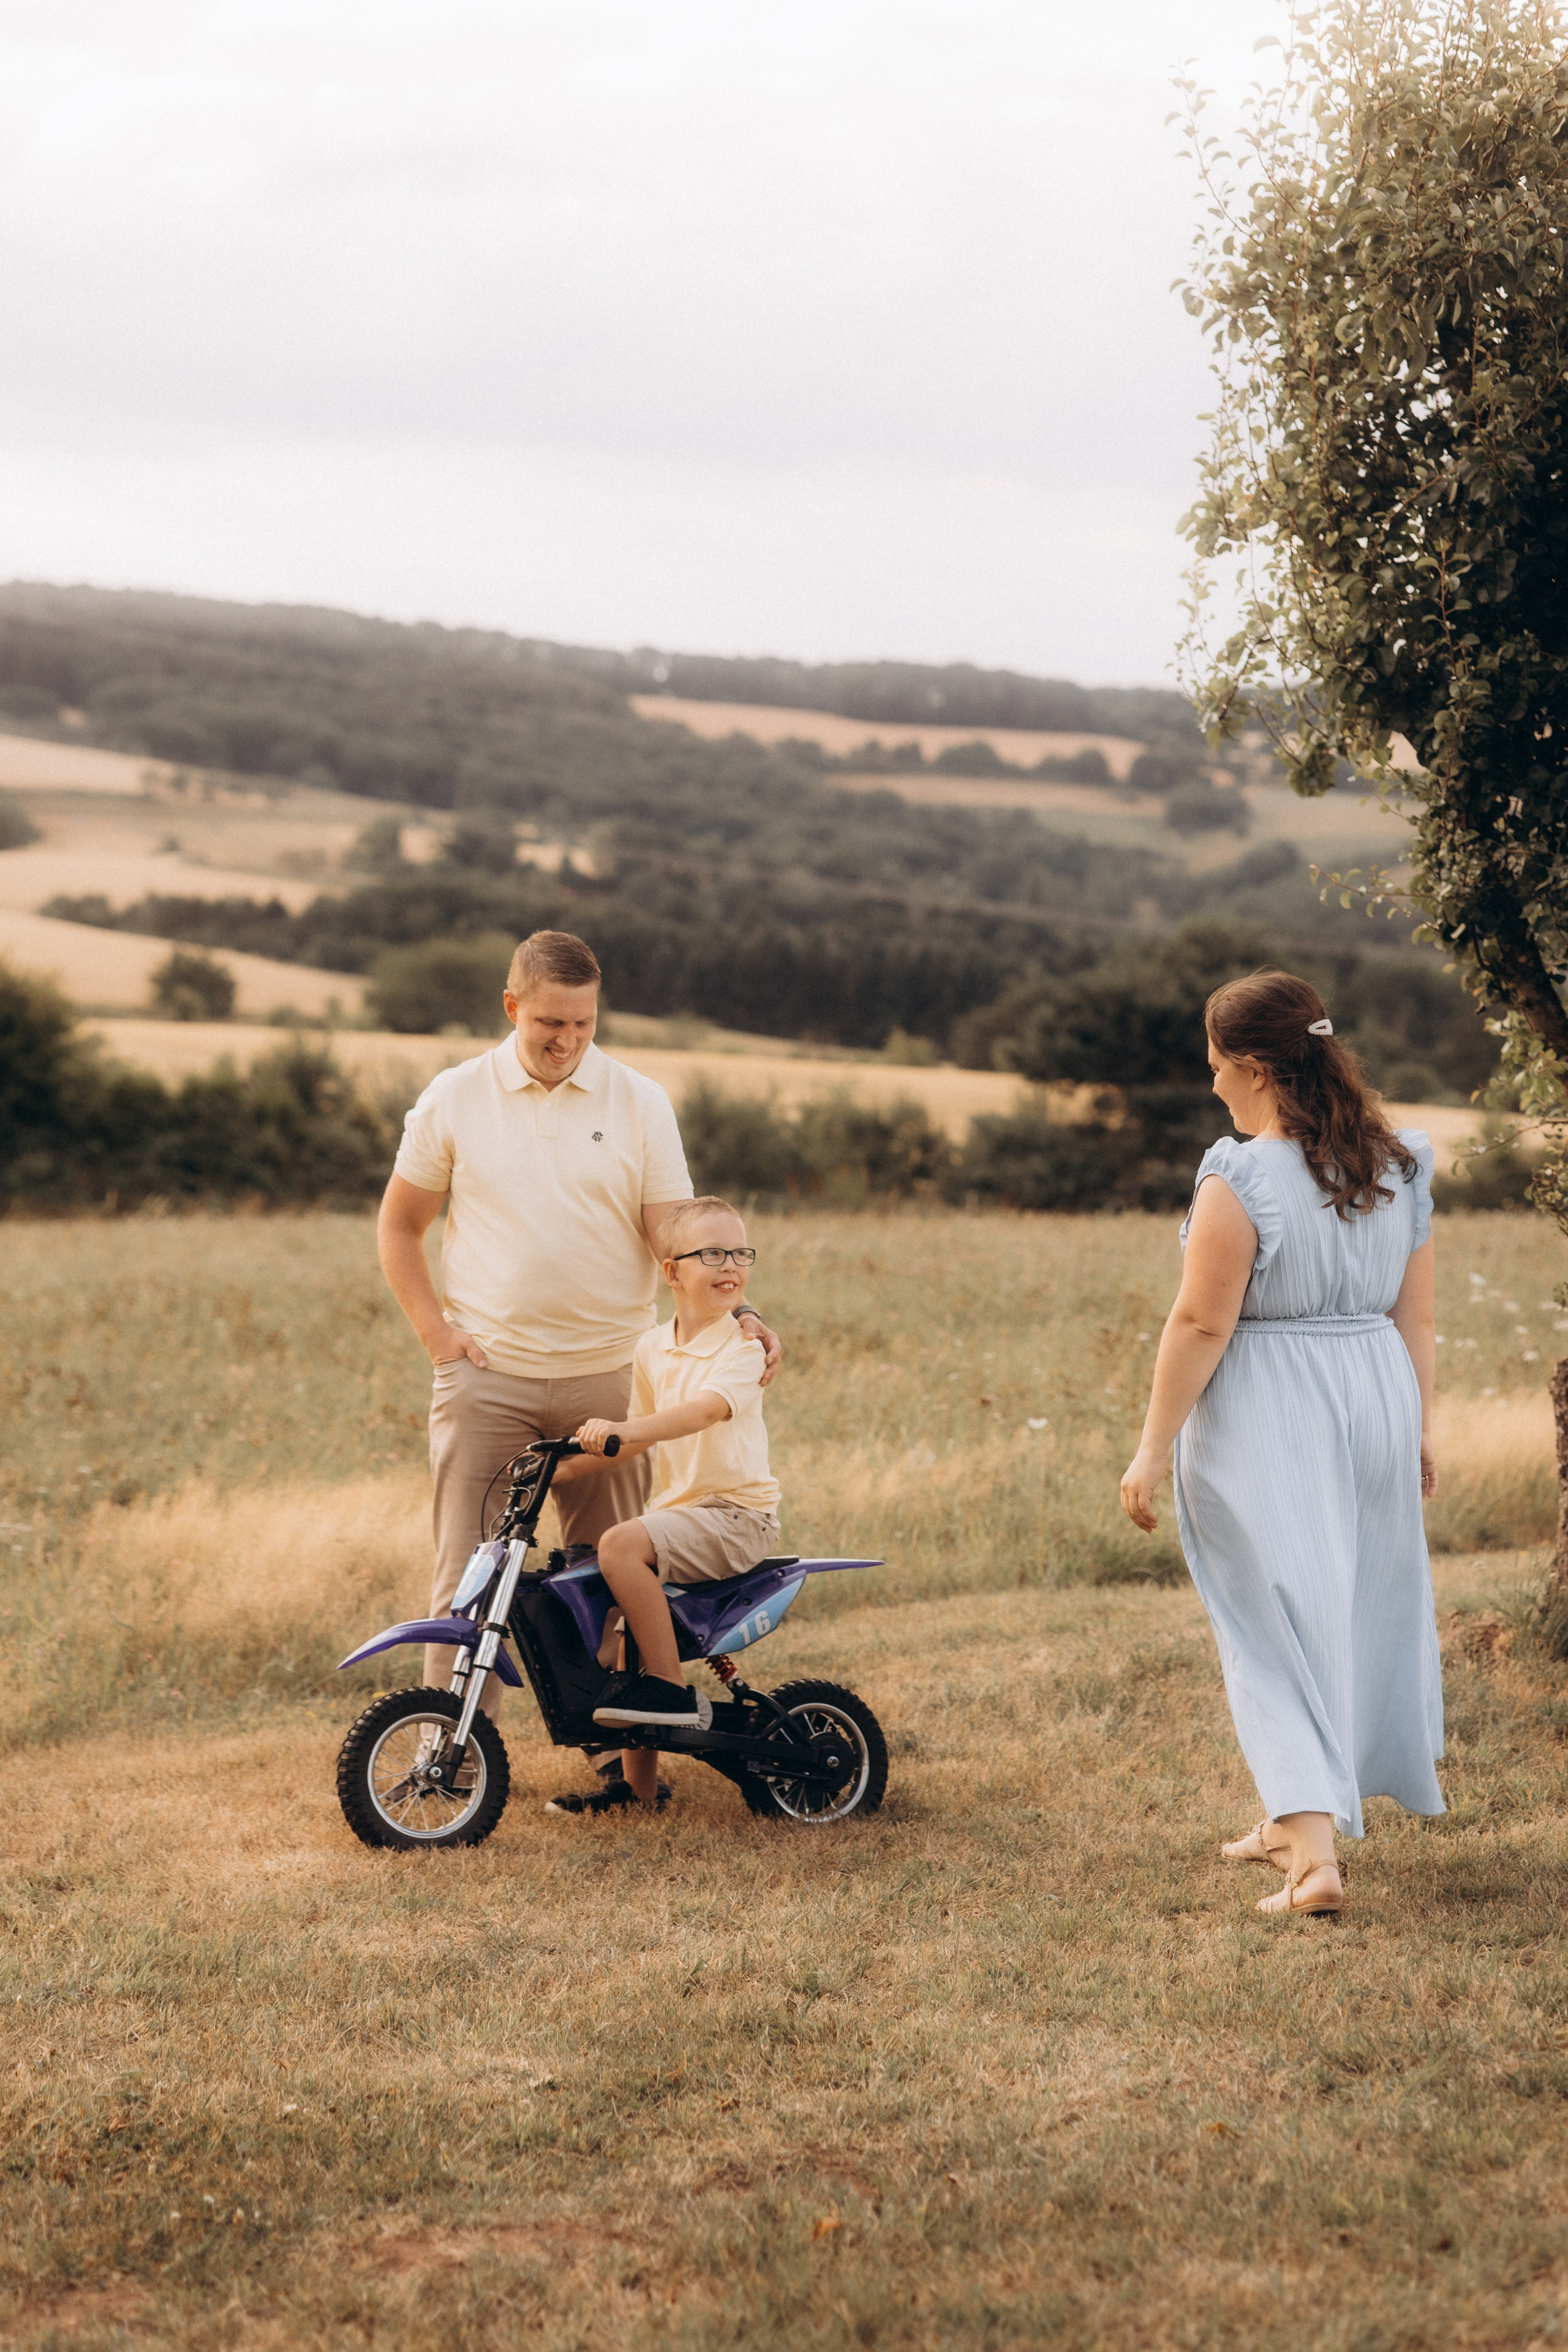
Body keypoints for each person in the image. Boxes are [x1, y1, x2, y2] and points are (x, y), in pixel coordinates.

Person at [377, 930, 780, 1757]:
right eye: (548, 1025)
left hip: (615, 1384)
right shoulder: (454, 1098)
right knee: (467, 1576)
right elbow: (400, 1225)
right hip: (487, 1380)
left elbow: (675, 1235)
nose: (566, 1042)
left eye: (584, 1026)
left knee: (607, 1576)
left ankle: (614, 1764)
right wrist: (438, 1338)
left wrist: (742, 1310)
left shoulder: (639, 1102)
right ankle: (448, 1753)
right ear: (511, 1006)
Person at [1119, 968, 1444, 1921]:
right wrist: (1420, 1425)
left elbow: (1198, 1327)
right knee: (1348, 1607)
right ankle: (1288, 1815)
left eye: (1217, 1063)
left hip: (1271, 1404)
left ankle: (1311, 1856)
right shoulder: (1400, 1160)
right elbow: (1415, 1319)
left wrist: (1149, 1450)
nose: (1212, 1080)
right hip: (1375, 1392)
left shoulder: (1242, 1174)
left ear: (1256, 1067)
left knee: (1267, 1619)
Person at [551, 1194, 782, 1811]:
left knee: (619, 1543)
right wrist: (561, 1468)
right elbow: (632, 1436)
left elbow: (701, 1413)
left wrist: (627, 1431)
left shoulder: (743, 1346)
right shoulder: (652, 1347)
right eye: (711, 1252)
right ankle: (638, 1790)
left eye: (739, 1252)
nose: (729, 1263)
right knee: (621, 1630)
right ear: (671, 1270)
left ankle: (671, 1693)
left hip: (736, 1516)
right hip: (682, 1516)